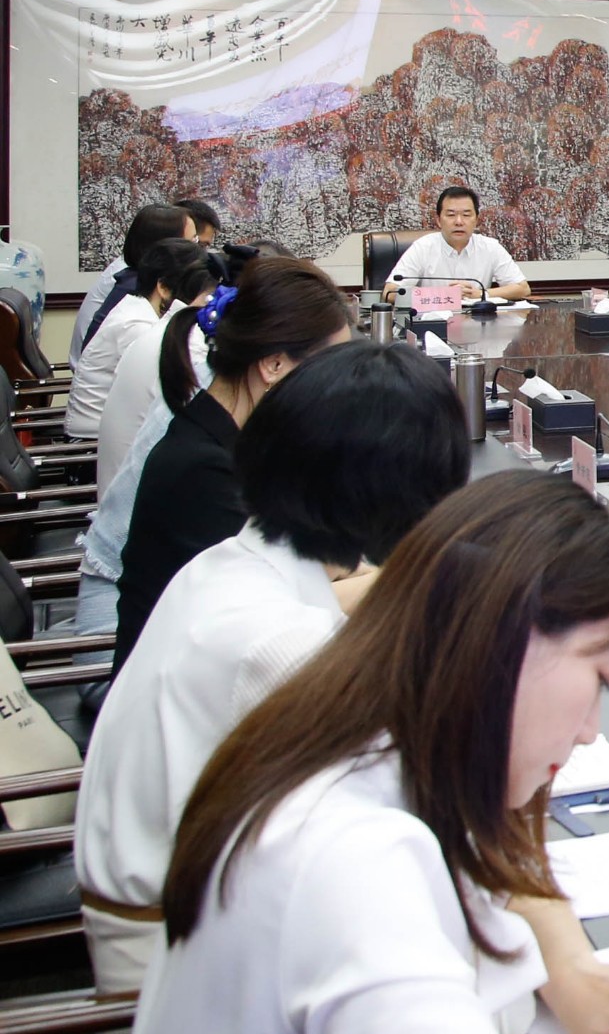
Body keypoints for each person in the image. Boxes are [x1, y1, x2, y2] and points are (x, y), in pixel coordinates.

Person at [135, 472, 609, 1034]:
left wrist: (569, 967)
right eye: (601, 677)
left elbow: (497, 869)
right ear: (505, 638)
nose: (591, 731)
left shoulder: (358, 742)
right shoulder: (353, 862)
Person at [77, 340, 469, 994]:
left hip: (184, 903)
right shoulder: (280, 644)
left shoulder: (230, 562)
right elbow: (426, 799)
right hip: (174, 960)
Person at [113, 256, 356, 670]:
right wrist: (406, 575)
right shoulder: (201, 470)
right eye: (330, 370)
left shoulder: (242, 436)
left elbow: (319, 559)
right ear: (274, 365)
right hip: (188, 687)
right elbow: (291, 607)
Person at [62, 238, 216, 440]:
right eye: (199, 293)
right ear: (163, 287)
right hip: (88, 443)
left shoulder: (136, 308)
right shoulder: (138, 326)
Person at [71, 201, 196, 361]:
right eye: (193, 241)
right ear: (168, 246)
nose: (198, 251)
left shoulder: (136, 276)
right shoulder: (134, 289)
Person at [386, 185, 531, 303]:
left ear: (476, 220)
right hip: (433, 323)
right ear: (438, 220)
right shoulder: (423, 247)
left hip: (478, 325)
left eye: (466, 215)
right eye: (451, 215)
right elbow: (390, 293)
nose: (459, 222)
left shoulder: (490, 247)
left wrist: (480, 294)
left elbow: (523, 289)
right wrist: (445, 295)